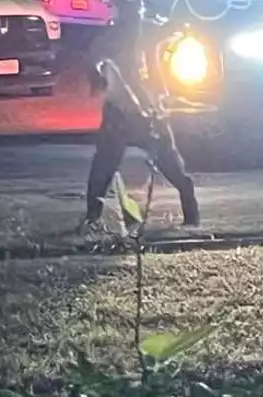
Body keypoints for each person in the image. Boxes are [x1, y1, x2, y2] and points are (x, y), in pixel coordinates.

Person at [80, 0, 201, 230]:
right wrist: (97, 78)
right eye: (128, 10)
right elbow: (96, 60)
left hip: (147, 113)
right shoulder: (115, 37)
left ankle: (192, 216)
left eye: (135, 10)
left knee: (169, 163)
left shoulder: (145, 31)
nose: (132, 15)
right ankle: (92, 217)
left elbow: (177, 30)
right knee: (105, 166)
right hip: (123, 112)